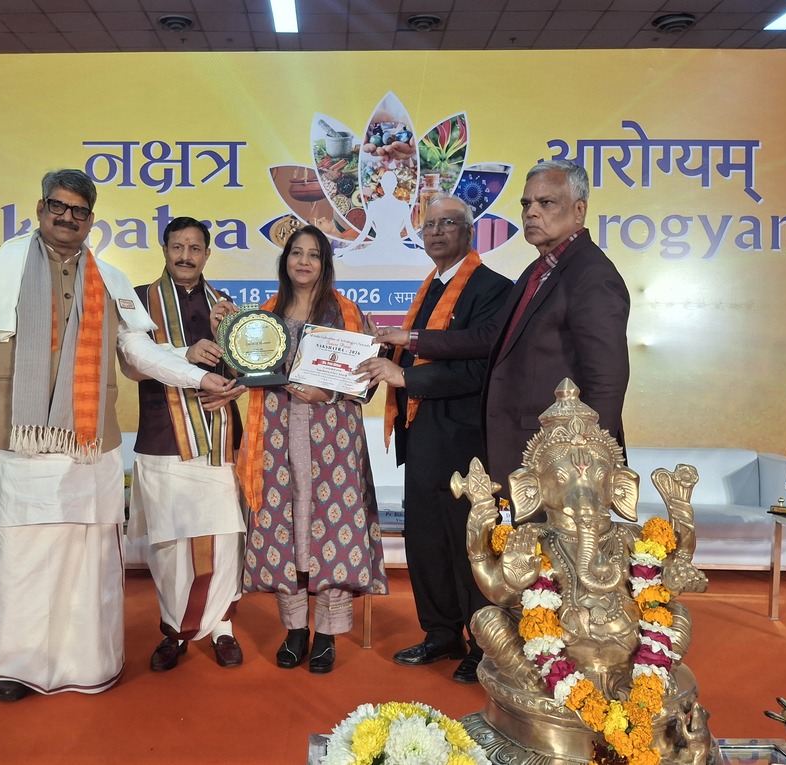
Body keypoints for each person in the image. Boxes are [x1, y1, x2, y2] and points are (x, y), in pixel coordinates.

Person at [0, 170, 233, 702]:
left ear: (91, 220)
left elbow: (139, 351)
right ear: (40, 207)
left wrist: (198, 377)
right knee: (20, 559)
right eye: (58, 206)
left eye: (79, 211)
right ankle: (16, 667)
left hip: (88, 446)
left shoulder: (111, 278)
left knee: (88, 560)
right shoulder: (0, 265)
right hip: (16, 441)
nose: (67, 217)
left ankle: (88, 662)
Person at [375, 160, 631, 507]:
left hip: (565, 463)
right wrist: (408, 339)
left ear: (579, 209)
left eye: (546, 202)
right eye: (526, 204)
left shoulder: (591, 275)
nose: (531, 213)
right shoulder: (537, 271)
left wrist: (589, 466)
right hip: (527, 454)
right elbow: (488, 337)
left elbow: (606, 383)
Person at [356, 194, 512, 683]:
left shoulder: (494, 288)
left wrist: (405, 377)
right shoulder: (430, 288)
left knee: (470, 544)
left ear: (470, 231)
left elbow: (481, 367)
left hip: (466, 440)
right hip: (422, 433)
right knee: (426, 540)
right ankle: (441, 633)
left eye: (449, 223)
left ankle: (483, 644)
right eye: (430, 225)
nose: (438, 232)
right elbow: (413, 354)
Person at [236, 225, 388, 674]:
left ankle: (326, 634)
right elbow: (247, 368)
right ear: (285, 261)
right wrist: (227, 332)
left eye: (314, 255)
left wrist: (330, 393)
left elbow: (366, 382)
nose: (304, 262)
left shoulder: (348, 313)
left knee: (332, 531)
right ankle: (295, 629)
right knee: (288, 531)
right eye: (296, 253)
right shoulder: (264, 315)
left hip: (334, 439)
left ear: (325, 264)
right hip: (277, 435)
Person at [127, 217, 247, 671]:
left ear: (207, 254)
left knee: (224, 536)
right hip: (163, 436)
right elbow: (132, 366)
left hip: (218, 436)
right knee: (170, 543)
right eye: (178, 246)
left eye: (195, 248)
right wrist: (185, 355)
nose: (186, 255)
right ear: (164, 250)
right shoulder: (139, 301)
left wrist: (234, 387)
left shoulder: (225, 304)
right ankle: (173, 629)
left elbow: (245, 367)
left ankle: (222, 628)